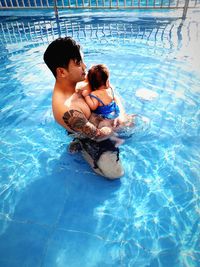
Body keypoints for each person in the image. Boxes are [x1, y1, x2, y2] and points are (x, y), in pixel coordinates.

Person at [43, 36, 125, 179]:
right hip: (88, 135)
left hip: (98, 121)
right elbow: (97, 135)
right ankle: (82, 146)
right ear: (62, 72)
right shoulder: (68, 110)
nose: (85, 66)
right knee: (115, 173)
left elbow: (110, 90)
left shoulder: (78, 82)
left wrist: (121, 115)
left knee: (134, 123)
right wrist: (111, 127)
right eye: (79, 63)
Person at [76, 64, 125, 147]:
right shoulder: (110, 89)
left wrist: (87, 96)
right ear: (107, 81)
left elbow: (93, 106)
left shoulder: (95, 94)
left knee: (102, 129)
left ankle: (117, 139)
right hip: (115, 113)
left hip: (106, 118)